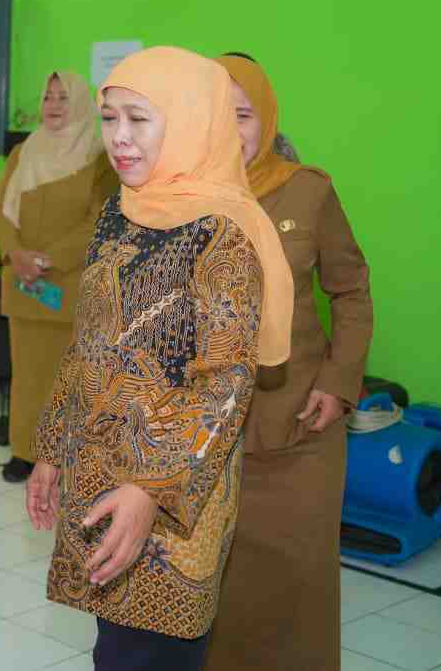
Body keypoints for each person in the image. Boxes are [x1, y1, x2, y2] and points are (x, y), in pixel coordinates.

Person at [26, 46, 294, 671]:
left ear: (192, 119)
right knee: (114, 648)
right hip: (98, 467)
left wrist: (153, 489)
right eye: (110, 117)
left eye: (139, 119)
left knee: (152, 653)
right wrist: (50, 445)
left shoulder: (223, 233)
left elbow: (226, 385)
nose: (118, 138)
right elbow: (87, 341)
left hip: (175, 502)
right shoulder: (123, 210)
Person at [204, 53, 373, 671]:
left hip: (302, 429)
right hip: (203, 441)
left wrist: (339, 382)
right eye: (215, 115)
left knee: (299, 586)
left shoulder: (309, 191)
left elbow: (351, 292)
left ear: (268, 119)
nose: (229, 130)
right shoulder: (172, 201)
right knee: (213, 594)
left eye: (242, 115)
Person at [0, 71, 118, 482]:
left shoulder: (101, 159)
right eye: (48, 97)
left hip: (69, 283)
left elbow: (99, 220)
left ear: (82, 104)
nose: (54, 105)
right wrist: (16, 253)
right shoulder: (22, 153)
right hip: (24, 282)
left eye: (64, 97)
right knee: (26, 374)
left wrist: (48, 259)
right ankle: (23, 451)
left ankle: (63, 456)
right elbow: (0, 210)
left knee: (68, 377)